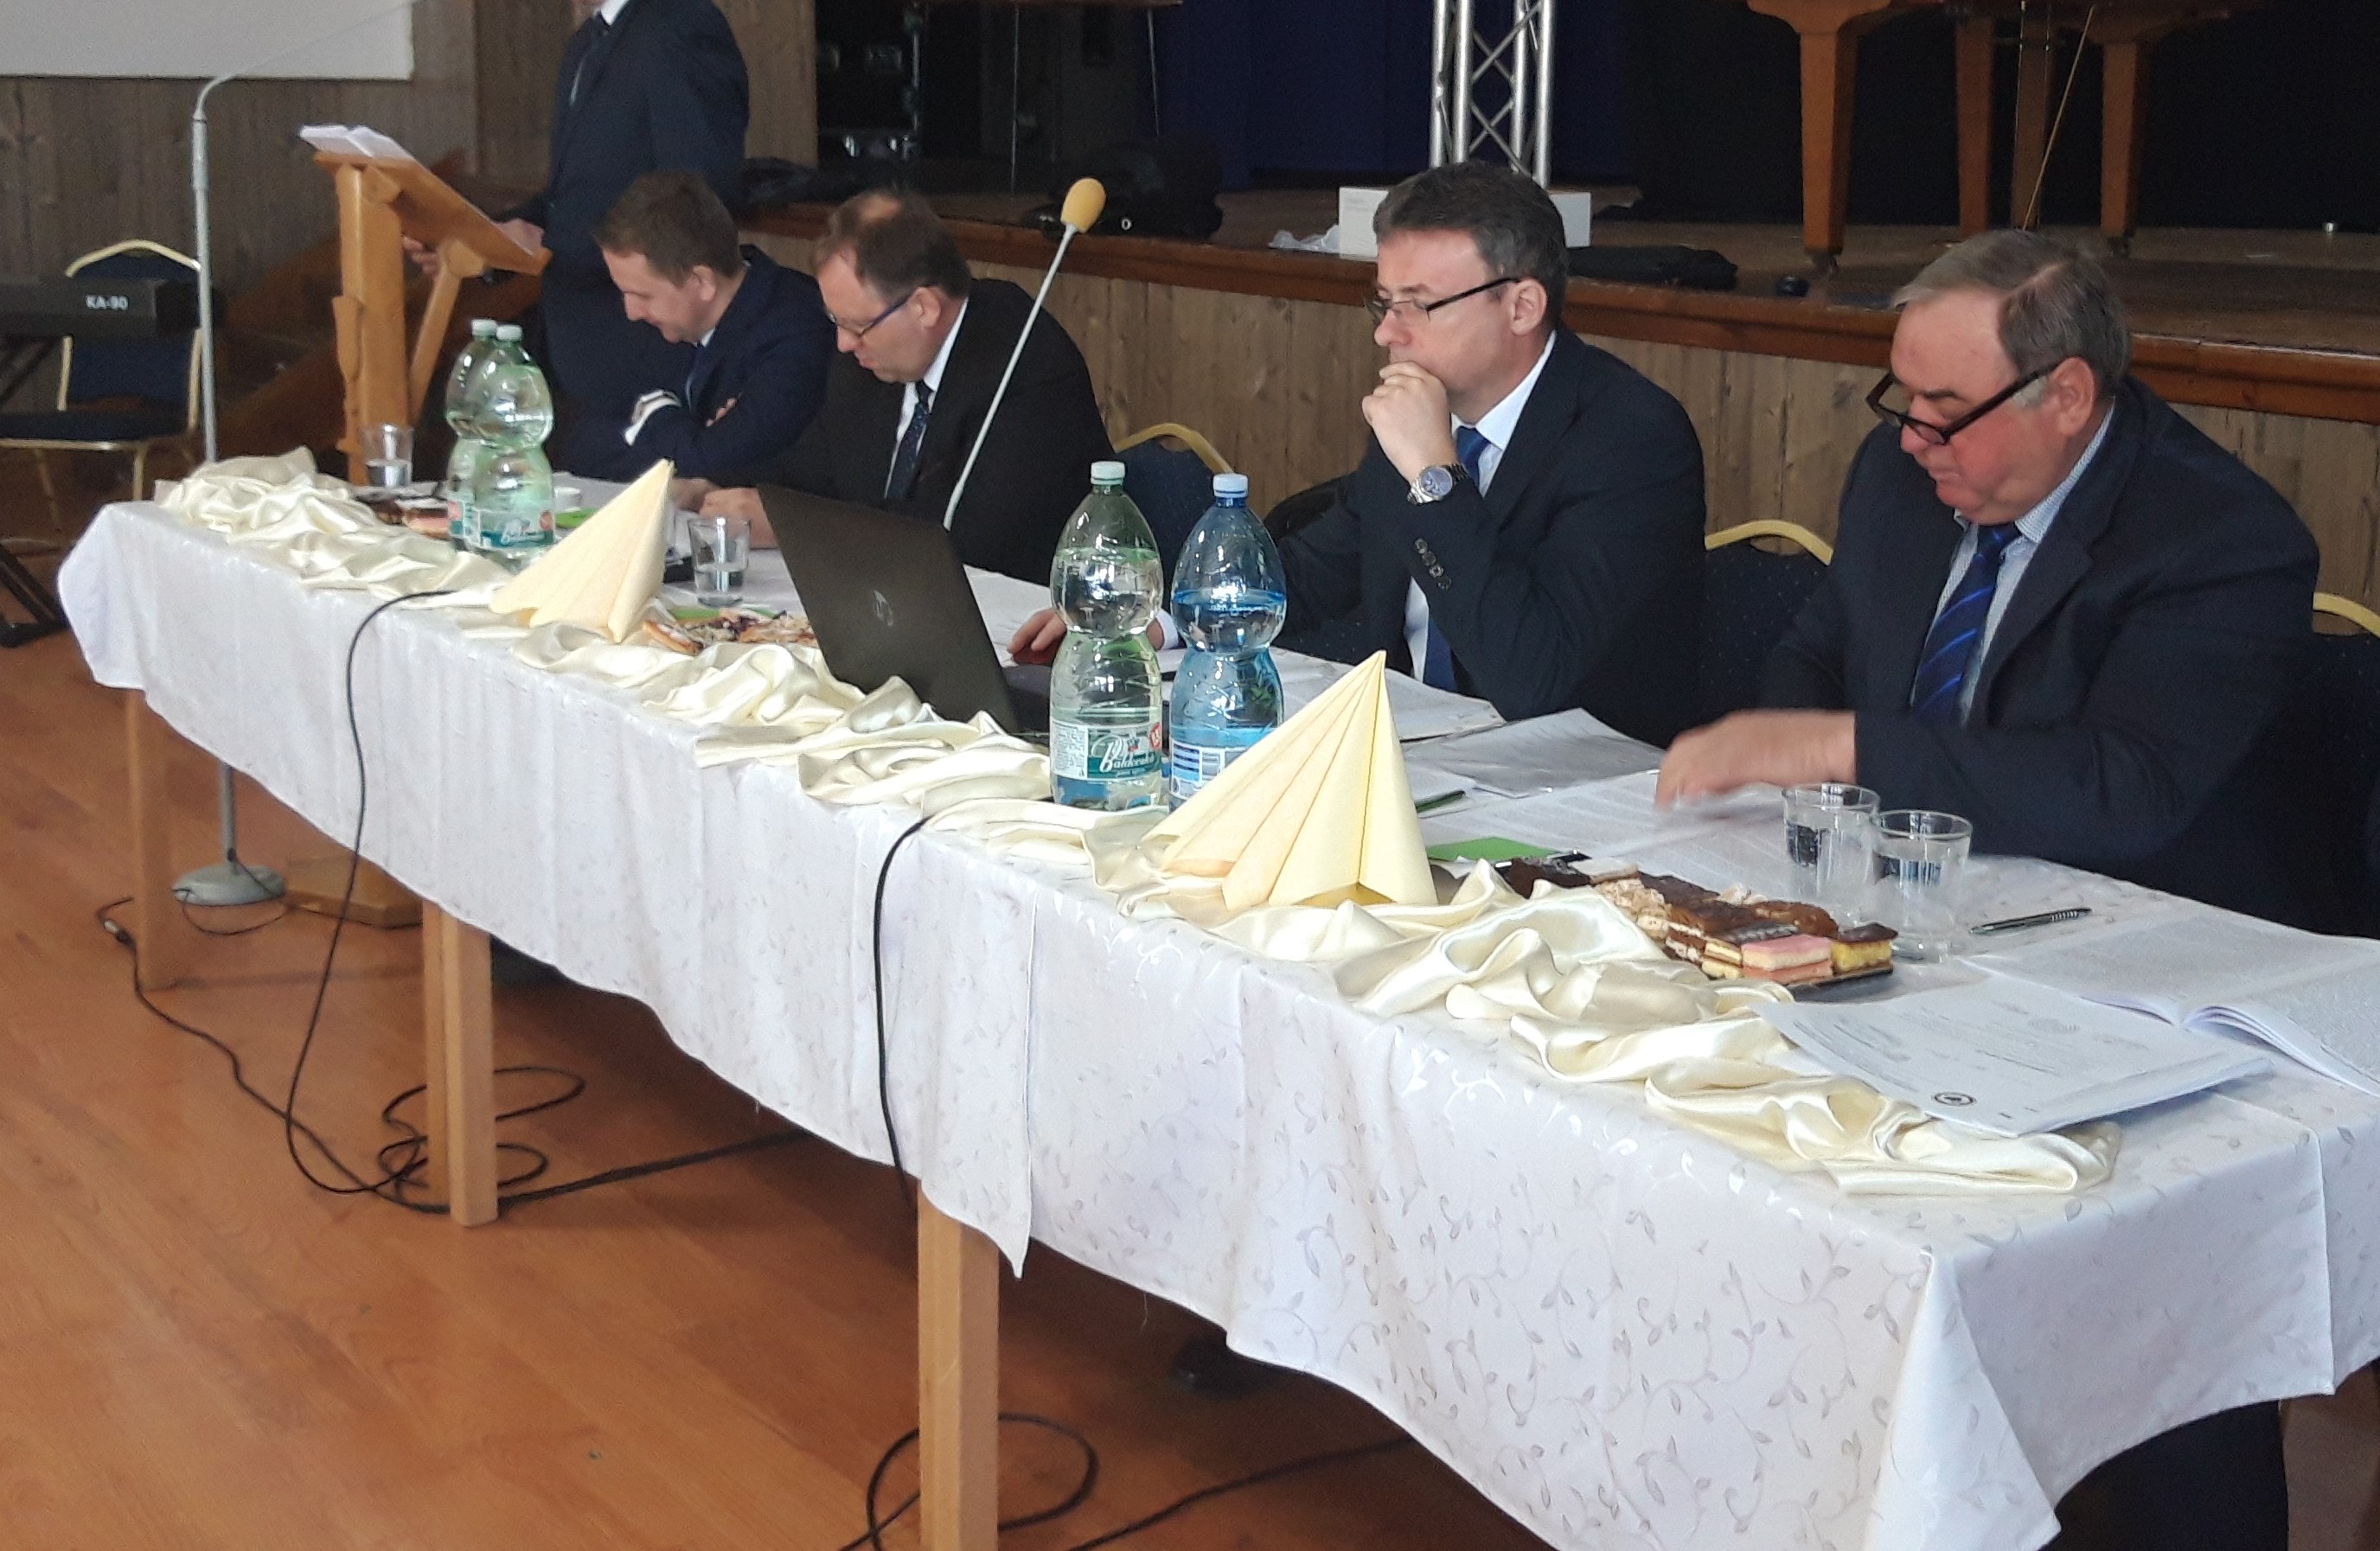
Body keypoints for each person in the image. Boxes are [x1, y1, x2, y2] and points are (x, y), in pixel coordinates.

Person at [1658, 229, 2313, 1551]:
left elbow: (2123, 788)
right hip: (1907, 936)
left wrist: (1844, 749)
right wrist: (1789, 773)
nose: (1912, 439)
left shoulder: (2221, 538)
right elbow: (1820, 653)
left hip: (2139, 990)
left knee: (2149, 1318)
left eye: (1945, 410)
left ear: (2066, 394)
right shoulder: (1903, 477)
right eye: (1899, 399)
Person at [1011, 161, 1707, 743]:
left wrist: (1435, 479)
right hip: (1426, 751)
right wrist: (1149, 627)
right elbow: (1312, 572)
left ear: (1521, 307)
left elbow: (1532, 676)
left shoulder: (1630, 438)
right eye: (1383, 304)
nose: (1387, 334)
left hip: (1588, 784)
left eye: (1418, 305)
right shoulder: (1423, 409)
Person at [701, 190, 1111, 584]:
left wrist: (791, 525)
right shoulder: (873, 358)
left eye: (856, 325)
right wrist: (714, 482)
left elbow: (969, 535)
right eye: (836, 321)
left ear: (923, 308)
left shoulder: (1027, 366)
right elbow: (814, 471)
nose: (843, 343)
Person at [503, 0, 749, 474]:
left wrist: (555, 241)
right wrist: (496, 234)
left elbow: (694, 200)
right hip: (584, 348)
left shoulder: (680, 28)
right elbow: (580, 185)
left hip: (647, 347)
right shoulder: (589, 42)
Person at [552, 171, 835, 485]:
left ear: (701, 282)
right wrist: (690, 438)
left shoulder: (796, 335)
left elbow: (718, 466)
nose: (631, 312)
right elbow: (585, 443)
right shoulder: (678, 319)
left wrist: (654, 414)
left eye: (642, 295)